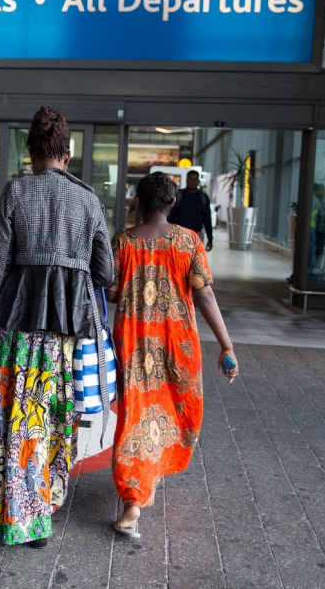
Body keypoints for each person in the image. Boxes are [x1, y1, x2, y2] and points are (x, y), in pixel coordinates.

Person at [0, 106, 113, 548]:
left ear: (31, 152)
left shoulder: (14, 193)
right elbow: (105, 272)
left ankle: (19, 512)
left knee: (18, 418)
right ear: (67, 155)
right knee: (54, 417)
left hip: (19, 325)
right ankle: (45, 502)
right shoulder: (89, 200)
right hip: (65, 332)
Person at [107, 172, 238, 539]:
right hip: (178, 343)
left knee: (135, 414)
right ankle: (135, 500)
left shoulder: (122, 241)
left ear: (139, 201)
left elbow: (113, 294)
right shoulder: (188, 241)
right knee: (178, 410)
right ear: (172, 203)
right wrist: (226, 346)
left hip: (133, 345)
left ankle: (137, 492)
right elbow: (205, 296)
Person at [166, 170, 213, 251]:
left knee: (194, 260)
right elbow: (170, 216)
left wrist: (210, 239)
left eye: (195, 179)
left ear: (198, 181)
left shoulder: (203, 197)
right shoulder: (178, 195)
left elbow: (207, 219)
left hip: (196, 234)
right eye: (191, 179)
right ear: (187, 180)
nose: (193, 182)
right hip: (178, 234)